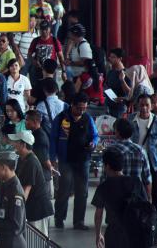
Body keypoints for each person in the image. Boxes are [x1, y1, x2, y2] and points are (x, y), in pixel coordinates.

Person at [51, 92, 99, 229]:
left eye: (84, 108)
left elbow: (95, 135)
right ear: (72, 105)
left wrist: (93, 143)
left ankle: (79, 221)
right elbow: (53, 139)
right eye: (79, 108)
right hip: (65, 160)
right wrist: (53, 158)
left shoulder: (88, 118)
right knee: (63, 191)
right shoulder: (60, 119)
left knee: (82, 192)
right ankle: (59, 218)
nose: (81, 111)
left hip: (83, 160)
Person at [92, 150, 148, 248]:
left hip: (114, 233)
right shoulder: (136, 182)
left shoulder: (103, 187)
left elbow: (98, 215)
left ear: (107, 166)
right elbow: (146, 208)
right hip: (135, 231)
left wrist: (98, 234)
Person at [129, 94, 157, 221]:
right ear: (137, 105)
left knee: (156, 194)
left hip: (154, 163)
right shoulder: (131, 120)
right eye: (141, 105)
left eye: (147, 105)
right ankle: (137, 221)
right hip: (136, 162)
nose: (144, 108)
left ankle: (155, 222)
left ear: (151, 106)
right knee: (135, 193)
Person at [8, 130, 53, 236]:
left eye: (15, 142)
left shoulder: (31, 162)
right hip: (32, 208)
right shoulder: (23, 159)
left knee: (38, 241)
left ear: (23, 144)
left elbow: (25, 191)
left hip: (38, 210)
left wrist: (16, 209)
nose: (12, 144)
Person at [105, 118, 152, 197]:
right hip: (136, 196)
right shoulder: (141, 151)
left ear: (118, 132)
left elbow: (106, 176)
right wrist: (149, 198)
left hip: (116, 195)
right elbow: (147, 178)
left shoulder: (111, 150)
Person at [25, 110, 54, 194]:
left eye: (27, 120)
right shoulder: (35, 134)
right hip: (40, 176)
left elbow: (44, 159)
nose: (25, 122)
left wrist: (51, 168)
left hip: (42, 178)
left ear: (34, 121)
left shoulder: (39, 137)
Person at [105, 48, 132, 118]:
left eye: (113, 57)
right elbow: (106, 85)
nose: (110, 59)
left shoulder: (127, 73)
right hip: (109, 103)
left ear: (120, 59)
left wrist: (122, 80)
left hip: (120, 106)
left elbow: (129, 91)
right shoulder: (111, 72)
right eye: (110, 57)